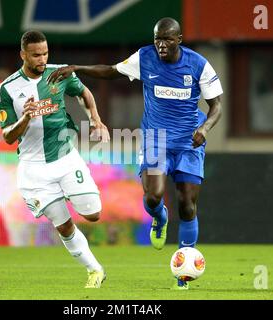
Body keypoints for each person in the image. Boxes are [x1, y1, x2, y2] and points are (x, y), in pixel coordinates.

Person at [48, 17, 223, 290]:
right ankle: (159, 217)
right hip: (155, 138)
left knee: (187, 204)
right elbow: (111, 70)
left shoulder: (198, 64)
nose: (161, 45)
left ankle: (183, 273)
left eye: (167, 39)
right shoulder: (145, 57)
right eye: (157, 39)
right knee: (152, 197)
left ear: (179, 39)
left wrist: (206, 128)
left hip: (189, 140)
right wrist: (77, 68)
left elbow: (217, 106)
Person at [0, 30, 110, 288]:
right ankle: (95, 270)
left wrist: (95, 119)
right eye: (36, 55)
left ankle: (70, 191)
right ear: (23, 54)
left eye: (45, 53)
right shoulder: (8, 88)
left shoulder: (59, 73)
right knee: (64, 225)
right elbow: (6, 136)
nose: (42, 59)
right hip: (33, 169)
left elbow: (84, 93)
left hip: (65, 157)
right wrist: (24, 119)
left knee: (93, 214)